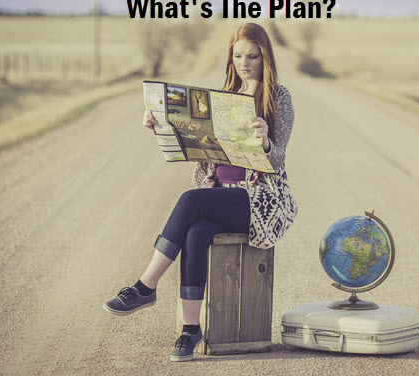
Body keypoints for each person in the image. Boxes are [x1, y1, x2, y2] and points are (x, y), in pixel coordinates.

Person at [103, 22, 298, 362]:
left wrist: (266, 140)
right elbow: (194, 139)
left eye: (252, 56)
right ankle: (190, 330)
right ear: (230, 58)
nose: (244, 63)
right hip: (219, 192)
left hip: (260, 201)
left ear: (265, 57)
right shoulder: (222, 97)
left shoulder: (279, 98)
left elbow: (279, 157)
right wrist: (160, 123)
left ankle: (145, 286)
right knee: (195, 233)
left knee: (189, 200)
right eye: (238, 56)